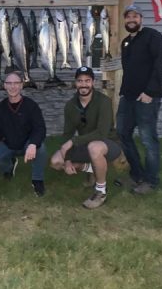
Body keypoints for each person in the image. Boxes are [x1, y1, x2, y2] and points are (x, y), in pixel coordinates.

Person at [50, 66, 121, 209]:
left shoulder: (104, 101)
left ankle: (101, 191)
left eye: (87, 81)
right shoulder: (71, 105)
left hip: (109, 144)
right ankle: (91, 169)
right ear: (75, 83)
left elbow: (101, 133)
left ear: (93, 82)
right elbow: (67, 134)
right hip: (86, 144)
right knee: (56, 161)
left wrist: (73, 141)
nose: (84, 84)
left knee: (94, 147)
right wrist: (68, 159)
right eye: (80, 81)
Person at [116, 4, 162, 194]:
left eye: (135, 16)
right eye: (128, 17)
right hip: (128, 97)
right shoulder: (125, 42)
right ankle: (137, 175)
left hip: (147, 97)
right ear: (125, 20)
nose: (131, 20)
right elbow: (130, 70)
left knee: (148, 139)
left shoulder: (153, 36)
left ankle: (151, 181)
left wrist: (150, 92)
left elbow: (161, 63)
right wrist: (124, 92)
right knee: (122, 133)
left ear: (141, 19)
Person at [0, 71, 47, 196]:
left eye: (16, 83)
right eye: (9, 83)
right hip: (8, 143)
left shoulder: (31, 105)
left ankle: (37, 180)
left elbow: (40, 128)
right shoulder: (0, 108)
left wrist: (33, 144)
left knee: (41, 148)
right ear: (5, 86)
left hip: (27, 144)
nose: (13, 86)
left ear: (21, 85)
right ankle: (9, 167)